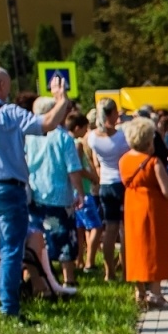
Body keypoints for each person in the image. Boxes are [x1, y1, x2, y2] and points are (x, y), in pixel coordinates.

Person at [0, 66, 72, 320]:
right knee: (10, 249)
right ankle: (9, 309)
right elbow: (48, 123)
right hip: (7, 189)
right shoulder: (9, 113)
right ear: (1, 86)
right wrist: (61, 100)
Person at [119, 117, 168, 309]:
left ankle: (139, 292)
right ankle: (155, 293)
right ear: (147, 140)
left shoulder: (124, 160)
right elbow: (167, 191)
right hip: (153, 210)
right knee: (155, 250)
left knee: (136, 249)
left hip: (132, 209)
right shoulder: (153, 162)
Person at [25, 95, 84, 293]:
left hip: (34, 194)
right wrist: (80, 192)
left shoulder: (28, 137)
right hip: (59, 196)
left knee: (36, 237)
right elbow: (73, 169)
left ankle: (35, 280)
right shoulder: (63, 137)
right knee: (63, 237)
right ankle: (68, 278)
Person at [86, 99, 131, 283]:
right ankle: (127, 272)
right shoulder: (120, 137)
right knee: (124, 230)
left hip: (104, 184)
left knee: (110, 231)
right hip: (120, 183)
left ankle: (109, 272)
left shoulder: (93, 137)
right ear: (112, 113)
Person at [67, 111, 102, 271]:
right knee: (96, 226)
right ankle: (90, 262)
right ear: (78, 127)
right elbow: (78, 168)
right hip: (83, 190)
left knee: (80, 229)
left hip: (71, 191)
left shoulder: (66, 141)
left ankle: (79, 261)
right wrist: (93, 177)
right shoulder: (77, 144)